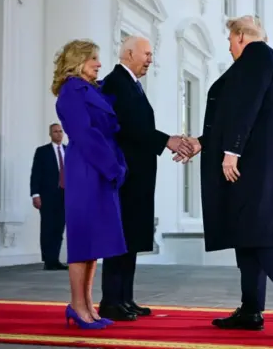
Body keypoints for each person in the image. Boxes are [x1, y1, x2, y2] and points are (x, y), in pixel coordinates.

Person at [177, 16, 273, 339]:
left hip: (258, 170)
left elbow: (247, 106)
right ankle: (250, 309)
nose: (229, 46)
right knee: (247, 239)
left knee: (263, 239)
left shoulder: (257, 55)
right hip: (259, 169)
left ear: (242, 36)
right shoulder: (264, 62)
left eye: (231, 40)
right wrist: (203, 143)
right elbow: (234, 113)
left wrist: (232, 150)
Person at [98, 36, 192, 321]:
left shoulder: (133, 85)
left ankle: (125, 298)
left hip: (138, 175)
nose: (151, 59)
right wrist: (168, 141)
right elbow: (127, 127)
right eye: (147, 54)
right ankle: (111, 301)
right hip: (125, 174)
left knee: (133, 236)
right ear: (128, 53)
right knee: (122, 237)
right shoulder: (115, 83)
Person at [51, 39, 128, 329]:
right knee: (83, 241)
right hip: (87, 167)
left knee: (94, 241)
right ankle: (77, 306)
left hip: (100, 166)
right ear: (78, 61)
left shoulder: (90, 90)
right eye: (93, 58)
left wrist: (117, 166)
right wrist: (112, 167)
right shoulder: (71, 91)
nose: (98, 63)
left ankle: (88, 306)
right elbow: (85, 134)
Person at [29, 123, 69, 271]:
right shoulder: (42, 152)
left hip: (65, 195)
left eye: (60, 131)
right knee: (47, 227)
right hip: (47, 195)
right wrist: (35, 194)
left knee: (59, 228)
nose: (58, 134)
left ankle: (55, 258)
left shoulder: (68, 150)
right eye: (55, 132)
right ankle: (48, 260)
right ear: (50, 134)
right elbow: (36, 174)